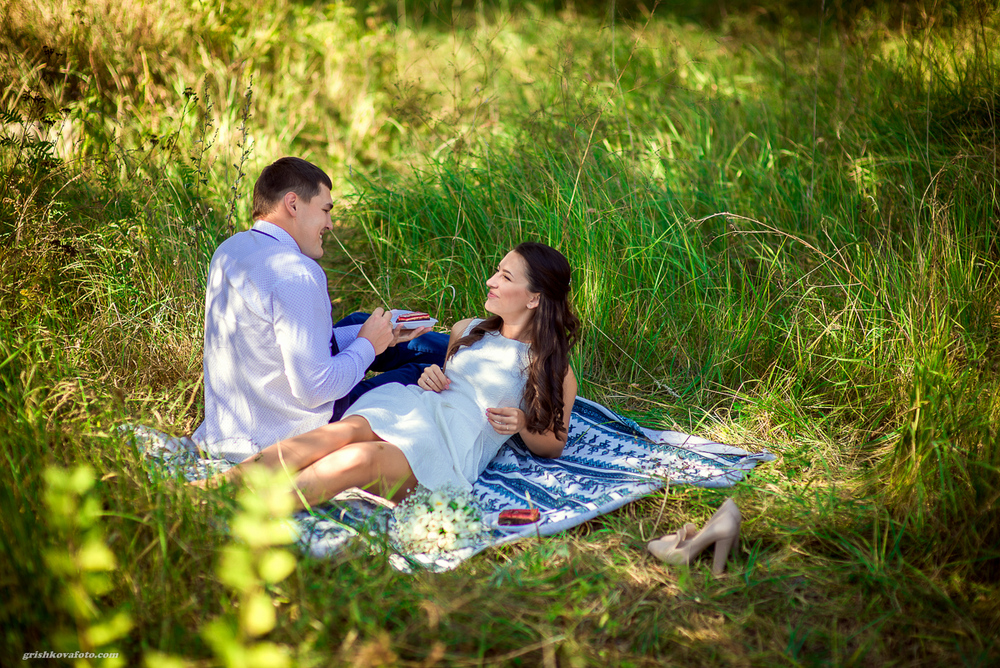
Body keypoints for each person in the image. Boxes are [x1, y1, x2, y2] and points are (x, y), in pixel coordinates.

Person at [196, 242, 580, 507]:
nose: (491, 281)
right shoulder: (467, 328)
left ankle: (248, 515)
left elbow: (553, 444)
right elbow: (449, 382)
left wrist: (523, 423)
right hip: (412, 409)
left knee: (360, 459)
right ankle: (209, 491)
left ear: (534, 298)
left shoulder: (552, 367)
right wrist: (432, 374)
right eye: (497, 271)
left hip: (447, 449)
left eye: (506, 277)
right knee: (338, 433)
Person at [192, 157, 448, 463]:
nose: (329, 223)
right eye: (325, 210)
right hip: (289, 436)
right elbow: (315, 389)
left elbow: (272, 342)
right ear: (293, 204)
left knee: (360, 323)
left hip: (231, 429)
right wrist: (368, 346)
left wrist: (380, 336)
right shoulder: (296, 273)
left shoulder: (230, 250)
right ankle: (484, 353)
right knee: (422, 374)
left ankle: (473, 344)